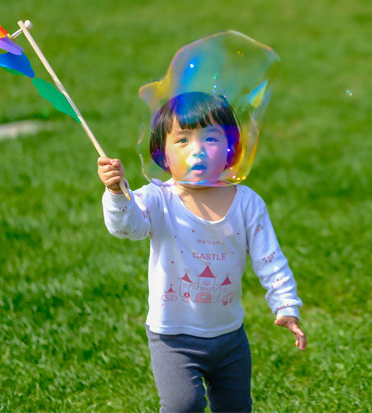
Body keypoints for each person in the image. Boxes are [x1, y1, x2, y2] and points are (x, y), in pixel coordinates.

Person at [97, 91, 306, 413]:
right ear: (162, 155)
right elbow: (128, 228)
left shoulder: (247, 203)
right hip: (173, 336)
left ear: (230, 149)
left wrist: (286, 304)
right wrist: (116, 194)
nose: (198, 150)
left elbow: (270, 259)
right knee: (183, 405)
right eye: (183, 140)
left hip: (229, 335)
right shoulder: (157, 198)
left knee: (235, 407)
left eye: (210, 138)